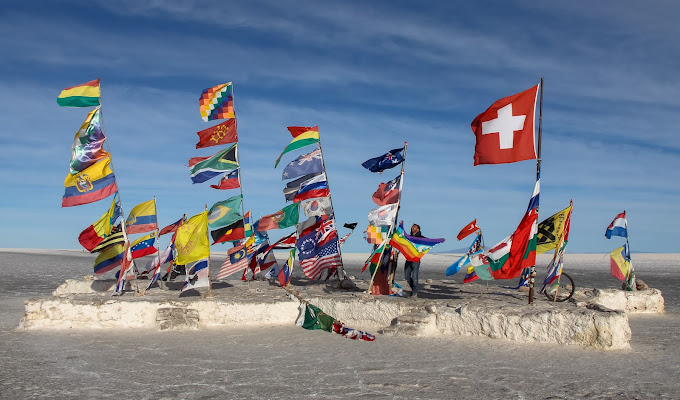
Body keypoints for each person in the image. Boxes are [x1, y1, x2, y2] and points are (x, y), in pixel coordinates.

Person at [404, 223, 423, 298]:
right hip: (408, 259)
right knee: (407, 276)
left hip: (415, 260)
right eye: (412, 227)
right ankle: (414, 289)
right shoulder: (409, 237)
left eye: (414, 228)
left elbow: (428, 242)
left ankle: (415, 292)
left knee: (415, 277)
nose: (412, 228)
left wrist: (439, 240)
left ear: (418, 229)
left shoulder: (421, 238)